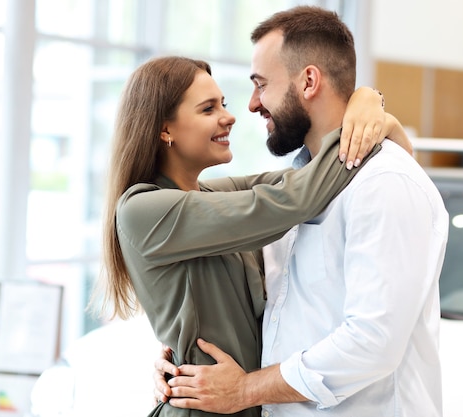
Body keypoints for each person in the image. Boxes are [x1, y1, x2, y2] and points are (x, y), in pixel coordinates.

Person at [154, 6, 449, 417]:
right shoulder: (291, 187)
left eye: (261, 84)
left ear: (309, 80)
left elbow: (372, 342)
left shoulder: (384, 184)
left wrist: (244, 390)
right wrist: (184, 366)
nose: (253, 104)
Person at [98, 53, 410, 417]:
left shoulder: (211, 195)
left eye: (223, 104)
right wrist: (367, 115)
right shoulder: (143, 210)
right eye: (208, 109)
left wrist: (372, 107)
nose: (229, 116)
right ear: (165, 130)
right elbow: (297, 199)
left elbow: (299, 179)